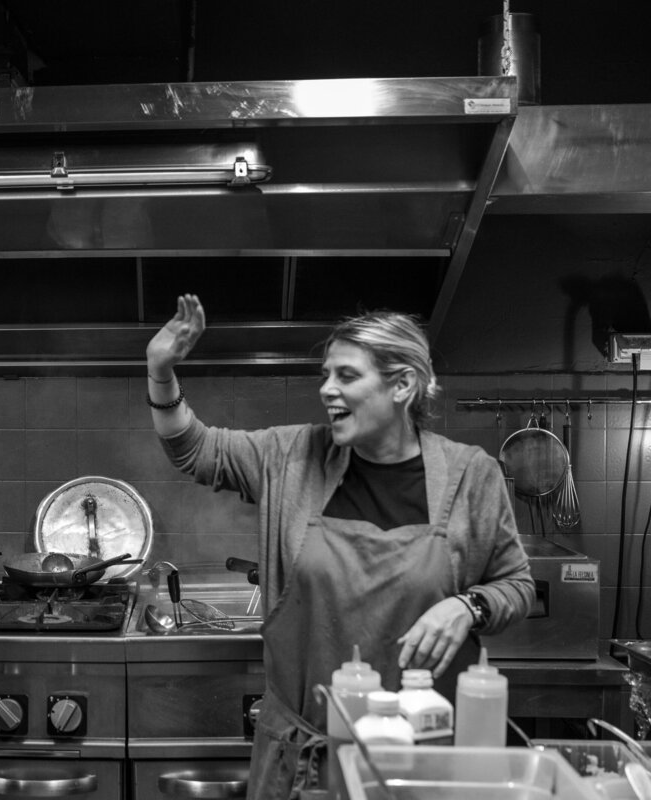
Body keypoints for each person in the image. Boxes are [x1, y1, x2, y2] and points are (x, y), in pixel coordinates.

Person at [145, 295, 534, 800]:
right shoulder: (291, 456)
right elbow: (194, 449)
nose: (327, 388)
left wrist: (469, 605)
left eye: (347, 376)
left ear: (402, 385)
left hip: (419, 762)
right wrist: (160, 371)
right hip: (303, 762)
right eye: (326, 374)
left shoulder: (470, 475)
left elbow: (516, 585)